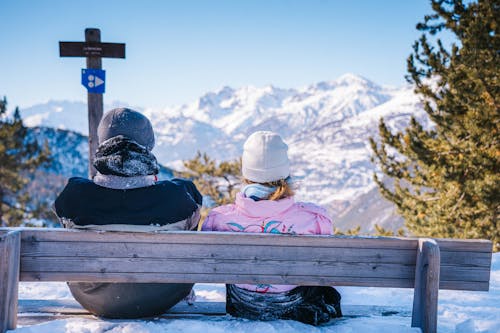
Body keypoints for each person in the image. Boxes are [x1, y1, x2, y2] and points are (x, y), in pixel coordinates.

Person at [54, 107, 202, 318]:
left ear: (102, 143)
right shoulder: (178, 196)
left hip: (93, 298)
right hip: (163, 294)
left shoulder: (74, 196)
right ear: (148, 146)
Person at [201, 130, 342, 325]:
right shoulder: (315, 218)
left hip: (242, 305)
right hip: (296, 304)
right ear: (285, 171)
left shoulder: (218, 219)